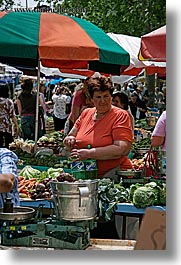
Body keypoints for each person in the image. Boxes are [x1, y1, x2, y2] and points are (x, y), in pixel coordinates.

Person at [63, 75, 133, 179]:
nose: (103, 101)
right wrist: (69, 140)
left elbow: (122, 149)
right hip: (85, 174)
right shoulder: (86, 113)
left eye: (106, 96)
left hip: (112, 175)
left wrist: (89, 153)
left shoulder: (120, 115)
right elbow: (70, 136)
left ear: (111, 96)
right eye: (98, 97)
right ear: (91, 99)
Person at [0, 84, 19, 148]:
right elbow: (12, 115)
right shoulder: (9, 102)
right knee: (8, 145)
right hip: (6, 126)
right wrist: (16, 125)